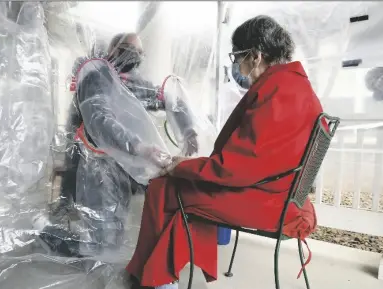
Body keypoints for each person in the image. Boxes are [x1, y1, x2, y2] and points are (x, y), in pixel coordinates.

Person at [126, 15, 321, 289]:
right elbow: (258, 157)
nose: (236, 65)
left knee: (163, 188)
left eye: (237, 56)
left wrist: (181, 166)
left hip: (264, 197)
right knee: (179, 188)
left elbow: (236, 169)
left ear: (255, 56)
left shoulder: (276, 91)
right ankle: (164, 272)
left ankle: (157, 281)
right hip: (281, 191)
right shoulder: (298, 86)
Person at [51, 33, 199, 256]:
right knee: (98, 223)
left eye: (139, 53)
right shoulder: (96, 77)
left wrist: (189, 130)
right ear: (113, 49)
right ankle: (64, 246)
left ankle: (103, 258)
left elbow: (172, 100)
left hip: (121, 163)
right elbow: (100, 120)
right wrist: (139, 147)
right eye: (128, 50)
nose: (134, 56)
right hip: (93, 162)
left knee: (116, 223)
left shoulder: (136, 84)